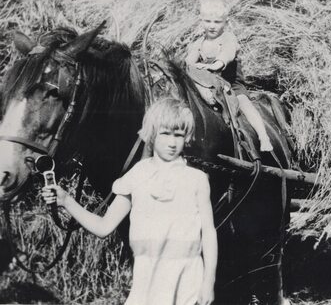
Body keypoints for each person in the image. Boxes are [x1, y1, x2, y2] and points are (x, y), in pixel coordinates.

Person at [41, 98, 218, 305]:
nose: (172, 142)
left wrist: (208, 282)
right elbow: (103, 226)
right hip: (146, 286)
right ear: (151, 134)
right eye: (165, 134)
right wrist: (66, 200)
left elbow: (208, 232)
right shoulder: (137, 176)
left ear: (187, 137)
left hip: (187, 283)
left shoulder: (196, 180)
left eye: (179, 135)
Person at [185, 0, 274, 152]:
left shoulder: (228, 38)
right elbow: (189, 62)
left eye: (217, 22)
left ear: (226, 22)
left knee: (245, 105)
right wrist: (191, 66)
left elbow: (227, 54)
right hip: (211, 86)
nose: (212, 26)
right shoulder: (199, 43)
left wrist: (217, 64)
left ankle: (263, 137)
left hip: (232, 85)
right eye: (208, 21)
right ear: (201, 21)